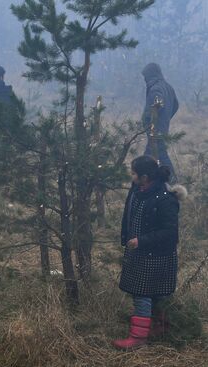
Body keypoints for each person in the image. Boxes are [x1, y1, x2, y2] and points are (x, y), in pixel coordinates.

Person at [113, 155, 187, 350]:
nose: (132, 176)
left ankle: (138, 338)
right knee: (151, 294)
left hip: (156, 255)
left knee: (143, 294)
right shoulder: (138, 190)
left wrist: (141, 241)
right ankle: (158, 327)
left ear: (145, 177)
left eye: (134, 173)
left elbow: (170, 233)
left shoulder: (165, 200)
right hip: (140, 252)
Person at [141, 63, 179, 181]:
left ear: (150, 75)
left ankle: (171, 181)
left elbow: (153, 108)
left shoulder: (155, 88)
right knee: (152, 155)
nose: (145, 79)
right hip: (161, 127)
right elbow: (176, 105)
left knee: (157, 154)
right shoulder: (168, 87)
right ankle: (149, 180)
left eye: (145, 76)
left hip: (155, 129)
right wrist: (165, 118)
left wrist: (149, 122)